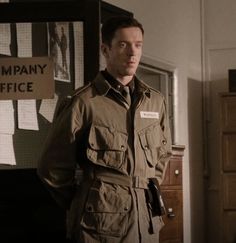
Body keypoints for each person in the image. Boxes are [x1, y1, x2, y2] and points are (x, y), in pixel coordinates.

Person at [37, 16, 172, 243]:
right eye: (123, 44)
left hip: (145, 223)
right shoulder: (84, 102)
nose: (132, 53)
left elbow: (163, 155)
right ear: (105, 50)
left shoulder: (154, 101)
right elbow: (51, 167)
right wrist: (85, 198)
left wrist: (142, 185)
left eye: (138, 45)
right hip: (99, 225)